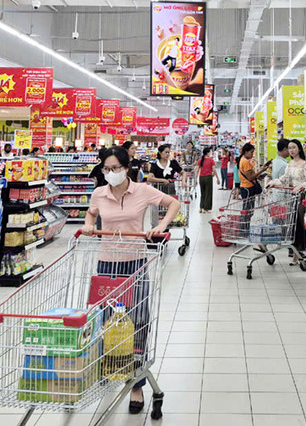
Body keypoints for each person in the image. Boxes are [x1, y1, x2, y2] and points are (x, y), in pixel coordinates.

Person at [83, 146, 180, 414]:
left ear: (126, 168)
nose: (111, 173)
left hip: (135, 265)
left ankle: (136, 384)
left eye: (116, 168)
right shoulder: (99, 193)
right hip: (105, 265)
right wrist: (90, 223)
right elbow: (92, 213)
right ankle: (109, 369)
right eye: (106, 169)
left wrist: (161, 226)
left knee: (137, 323)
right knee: (105, 322)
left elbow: (173, 203)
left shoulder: (142, 190)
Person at [268, 139, 306, 265]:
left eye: (294, 147)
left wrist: (300, 187)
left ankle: (303, 253)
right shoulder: (289, 164)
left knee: (302, 225)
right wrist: (273, 182)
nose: (291, 150)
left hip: (302, 198)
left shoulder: (304, 164)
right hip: (293, 198)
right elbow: (284, 179)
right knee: (294, 225)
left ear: (299, 149)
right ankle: (296, 256)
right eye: (289, 148)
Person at [196, 147, 219, 213]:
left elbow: (197, 170)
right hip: (208, 177)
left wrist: (195, 179)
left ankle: (201, 207)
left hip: (201, 178)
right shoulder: (211, 160)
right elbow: (214, 169)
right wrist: (217, 178)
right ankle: (205, 208)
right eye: (210, 152)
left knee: (202, 193)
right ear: (208, 153)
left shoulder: (200, 160)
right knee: (208, 193)